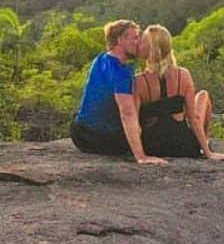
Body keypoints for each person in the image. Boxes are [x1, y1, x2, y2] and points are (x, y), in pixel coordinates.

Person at [70, 19, 166, 164]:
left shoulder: (101, 59)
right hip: (99, 139)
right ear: (121, 40)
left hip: (79, 133)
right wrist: (141, 157)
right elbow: (127, 113)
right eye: (135, 38)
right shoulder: (120, 71)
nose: (138, 42)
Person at [135, 24, 224, 161]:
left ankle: (205, 145)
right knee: (203, 96)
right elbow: (194, 119)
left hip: (153, 146)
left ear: (150, 49)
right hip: (183, 145)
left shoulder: (139, 81)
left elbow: (133, 121)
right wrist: (208, 153)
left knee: (202, 96)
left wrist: (139, 155)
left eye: (143, 42)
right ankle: (205, 144)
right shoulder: (183, 75)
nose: (139, 45)